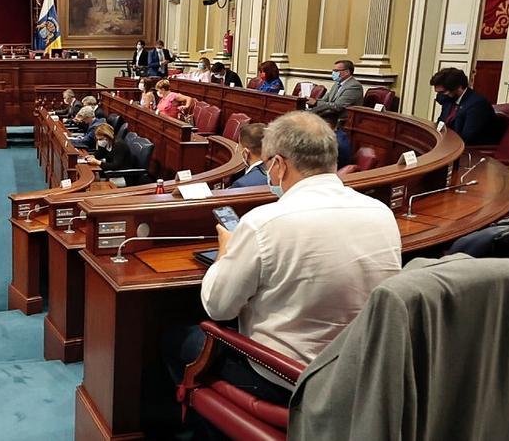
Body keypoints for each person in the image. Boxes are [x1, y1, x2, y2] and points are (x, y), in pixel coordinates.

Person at [166, 111, 401, 418]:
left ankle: (204, 425)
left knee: (176, 338)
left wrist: (226, 252)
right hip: (360, 372)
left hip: (285, 377)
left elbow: (218, 308)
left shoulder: (264, 222)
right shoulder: (381, 212)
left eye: (266, 165)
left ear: (278, 164)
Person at [431, 67, 499, 145]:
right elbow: (440, 123)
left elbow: (466, 137)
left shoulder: (477, 104)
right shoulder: (449, 100)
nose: (440, 96)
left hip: (471, 149)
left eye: (443, 92)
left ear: (459, 87)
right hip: (448, 143)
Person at [229, 123, 268, 189]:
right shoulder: (281, 171)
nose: (238, 150)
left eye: (239, 146)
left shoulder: (242, 184)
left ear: (246, 152)